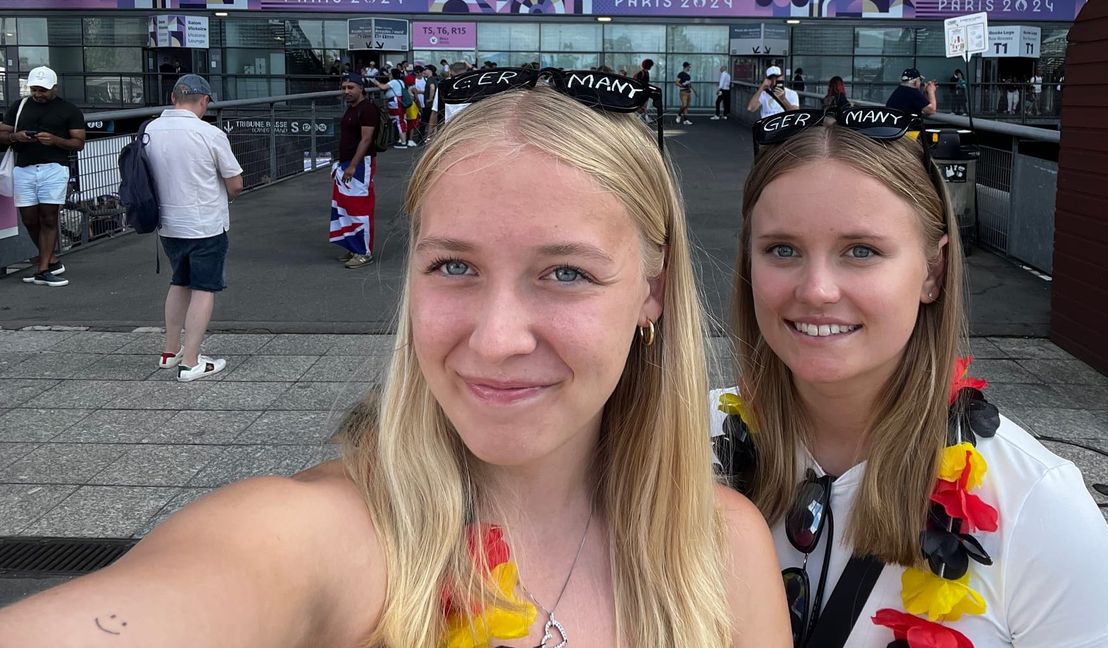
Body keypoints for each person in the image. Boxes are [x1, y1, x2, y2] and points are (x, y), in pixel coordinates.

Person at [0, 75, 791, 648]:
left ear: (651, 293)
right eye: (454, 266)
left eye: (567, 273)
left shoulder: (724, 547)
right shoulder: (323, 536)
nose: (496, 338)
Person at [712, 107, 1108, 647]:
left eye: (861, 251)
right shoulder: (685, 443)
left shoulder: (1034, 501)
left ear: (933, 271)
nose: (817, 289)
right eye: (782, 250)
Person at [145, 75, 244, 382]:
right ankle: (191, 362)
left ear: (174, 98)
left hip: (168, 224)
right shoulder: (208, 133)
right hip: (205, 224)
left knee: (180, 282)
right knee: (203, 289)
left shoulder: (150, 130)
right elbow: (235, 184)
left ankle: (169, 351)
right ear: (204, 101)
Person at [0, 66, 85, 287]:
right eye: (35, 89)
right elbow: (2, 133)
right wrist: (15, 137)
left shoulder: (69, 110)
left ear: (54, 87)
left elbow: (78, 143)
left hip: (54, 168)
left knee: (48, 217)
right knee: (29, 219)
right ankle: (51, 260)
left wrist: (55, 140)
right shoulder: (19, 106)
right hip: (24, 167)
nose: (38, 94)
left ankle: (43, 268)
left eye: (43, 90)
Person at [330, 73, 380, 269]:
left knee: (360, 208)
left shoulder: (367, 109)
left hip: (359, 165)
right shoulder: (352, 108)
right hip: (348, 163)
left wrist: (352, 165)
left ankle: (363, 252)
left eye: (350, 87)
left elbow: (366, 139)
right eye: (343, 88)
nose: (346, 91)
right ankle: (354, 246)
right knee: (346, 206)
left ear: (361, 88)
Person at [374, 72, 410, 148]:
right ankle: (402, 140)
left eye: (390, 74)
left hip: (395, 102)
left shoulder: (393, 82)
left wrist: (376, 82)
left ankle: (403, 142)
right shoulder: (401, 81)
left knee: (398, 121)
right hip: (400, 101)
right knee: (401, 120)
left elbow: (383, 87)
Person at [634, 58, 655, 123]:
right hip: (641, 92)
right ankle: (642, 118)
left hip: (644, 92)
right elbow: (638, 83)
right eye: (651, 66)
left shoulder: (646, 73)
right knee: (642, 106)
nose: (651, 67)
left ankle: (643, 117)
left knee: (644, 106)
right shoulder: (642, 73)